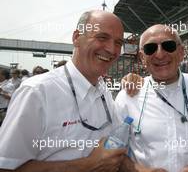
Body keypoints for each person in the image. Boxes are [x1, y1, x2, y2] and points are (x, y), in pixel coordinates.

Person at [0, 10, 151, 172]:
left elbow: (112, 154)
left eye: (118, 42)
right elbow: (6, 167)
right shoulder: (36, 92)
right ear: (77, 38)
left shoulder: (103, 90)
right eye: (102, 37)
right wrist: (88, 165)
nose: (111, 49)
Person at [115, 24, 188, 172]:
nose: (159, 54)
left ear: (181, 52)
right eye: (150, 48)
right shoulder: (127, 96)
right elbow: (114, 149)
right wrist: (140, 170)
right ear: (142, 57)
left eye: (168, 46)